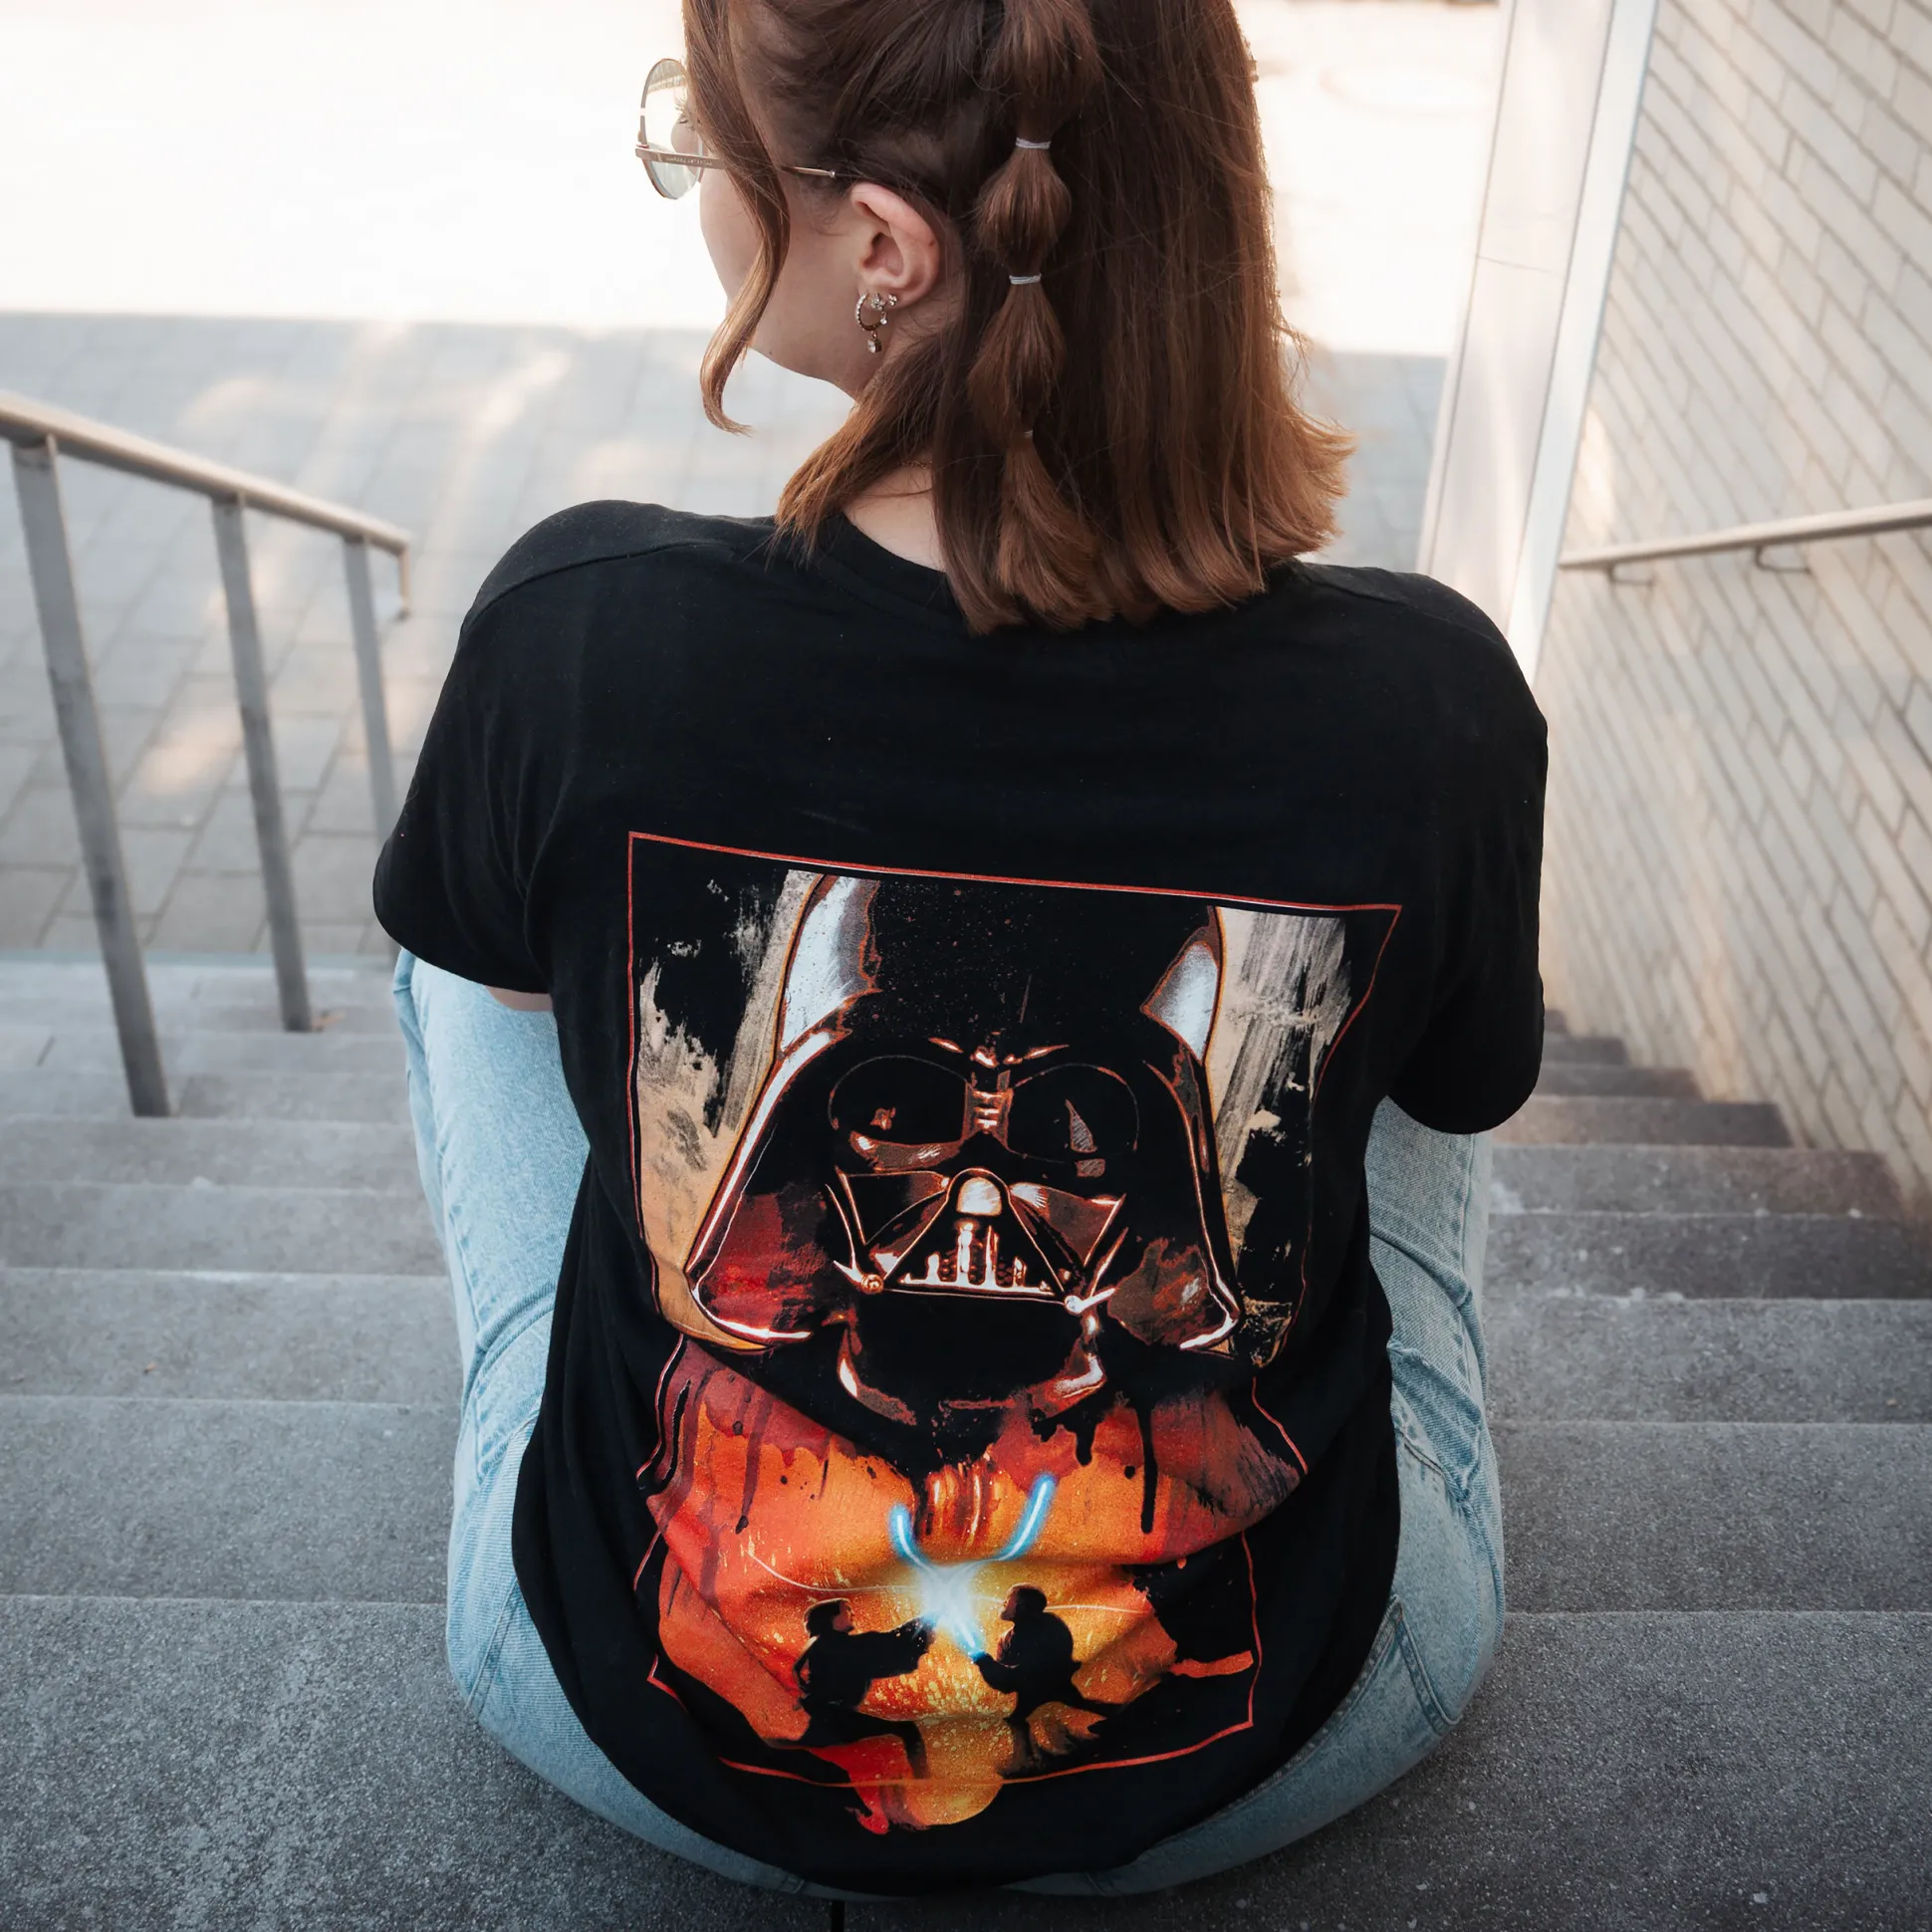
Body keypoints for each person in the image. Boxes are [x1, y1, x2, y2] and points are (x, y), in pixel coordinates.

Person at [376, 0, 1544, 1901]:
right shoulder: (1431, 700)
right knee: (1393, 1013)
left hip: (623, 1714)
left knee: (466, 942)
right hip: (1298, 1729)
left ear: (884, 244)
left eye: (706, 134)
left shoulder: (577, 634)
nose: (696, 177)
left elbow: (515, 992)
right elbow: (1468, 1090)